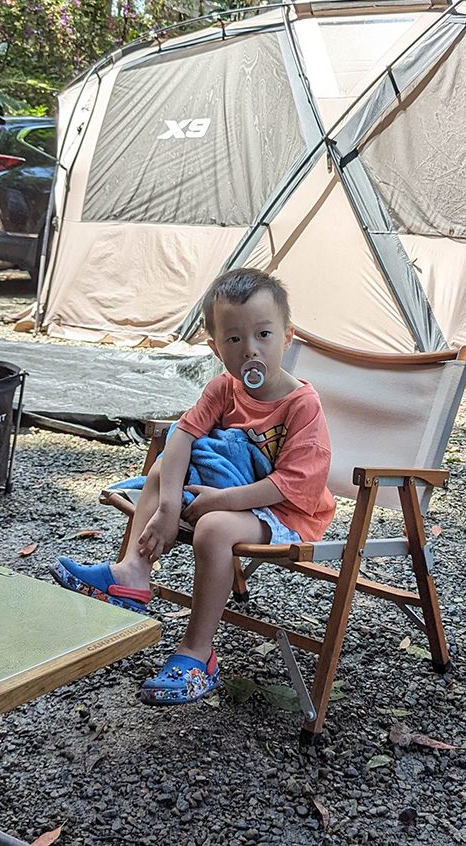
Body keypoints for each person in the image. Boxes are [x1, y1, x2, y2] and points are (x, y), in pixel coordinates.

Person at [51, 267, 334, 705]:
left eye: (262, 334)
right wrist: (167, 510)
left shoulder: (301, 404)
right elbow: (181, 436)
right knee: (163, 470)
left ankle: (198, 653)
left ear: (287, 336)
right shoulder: (224, 387)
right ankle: (133, 574)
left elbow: (292, 483)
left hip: (283, 511)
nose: (250, 350)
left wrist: (221, 499)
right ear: (215, 347)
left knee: (214, 528)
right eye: (234, 339)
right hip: (231, 493)